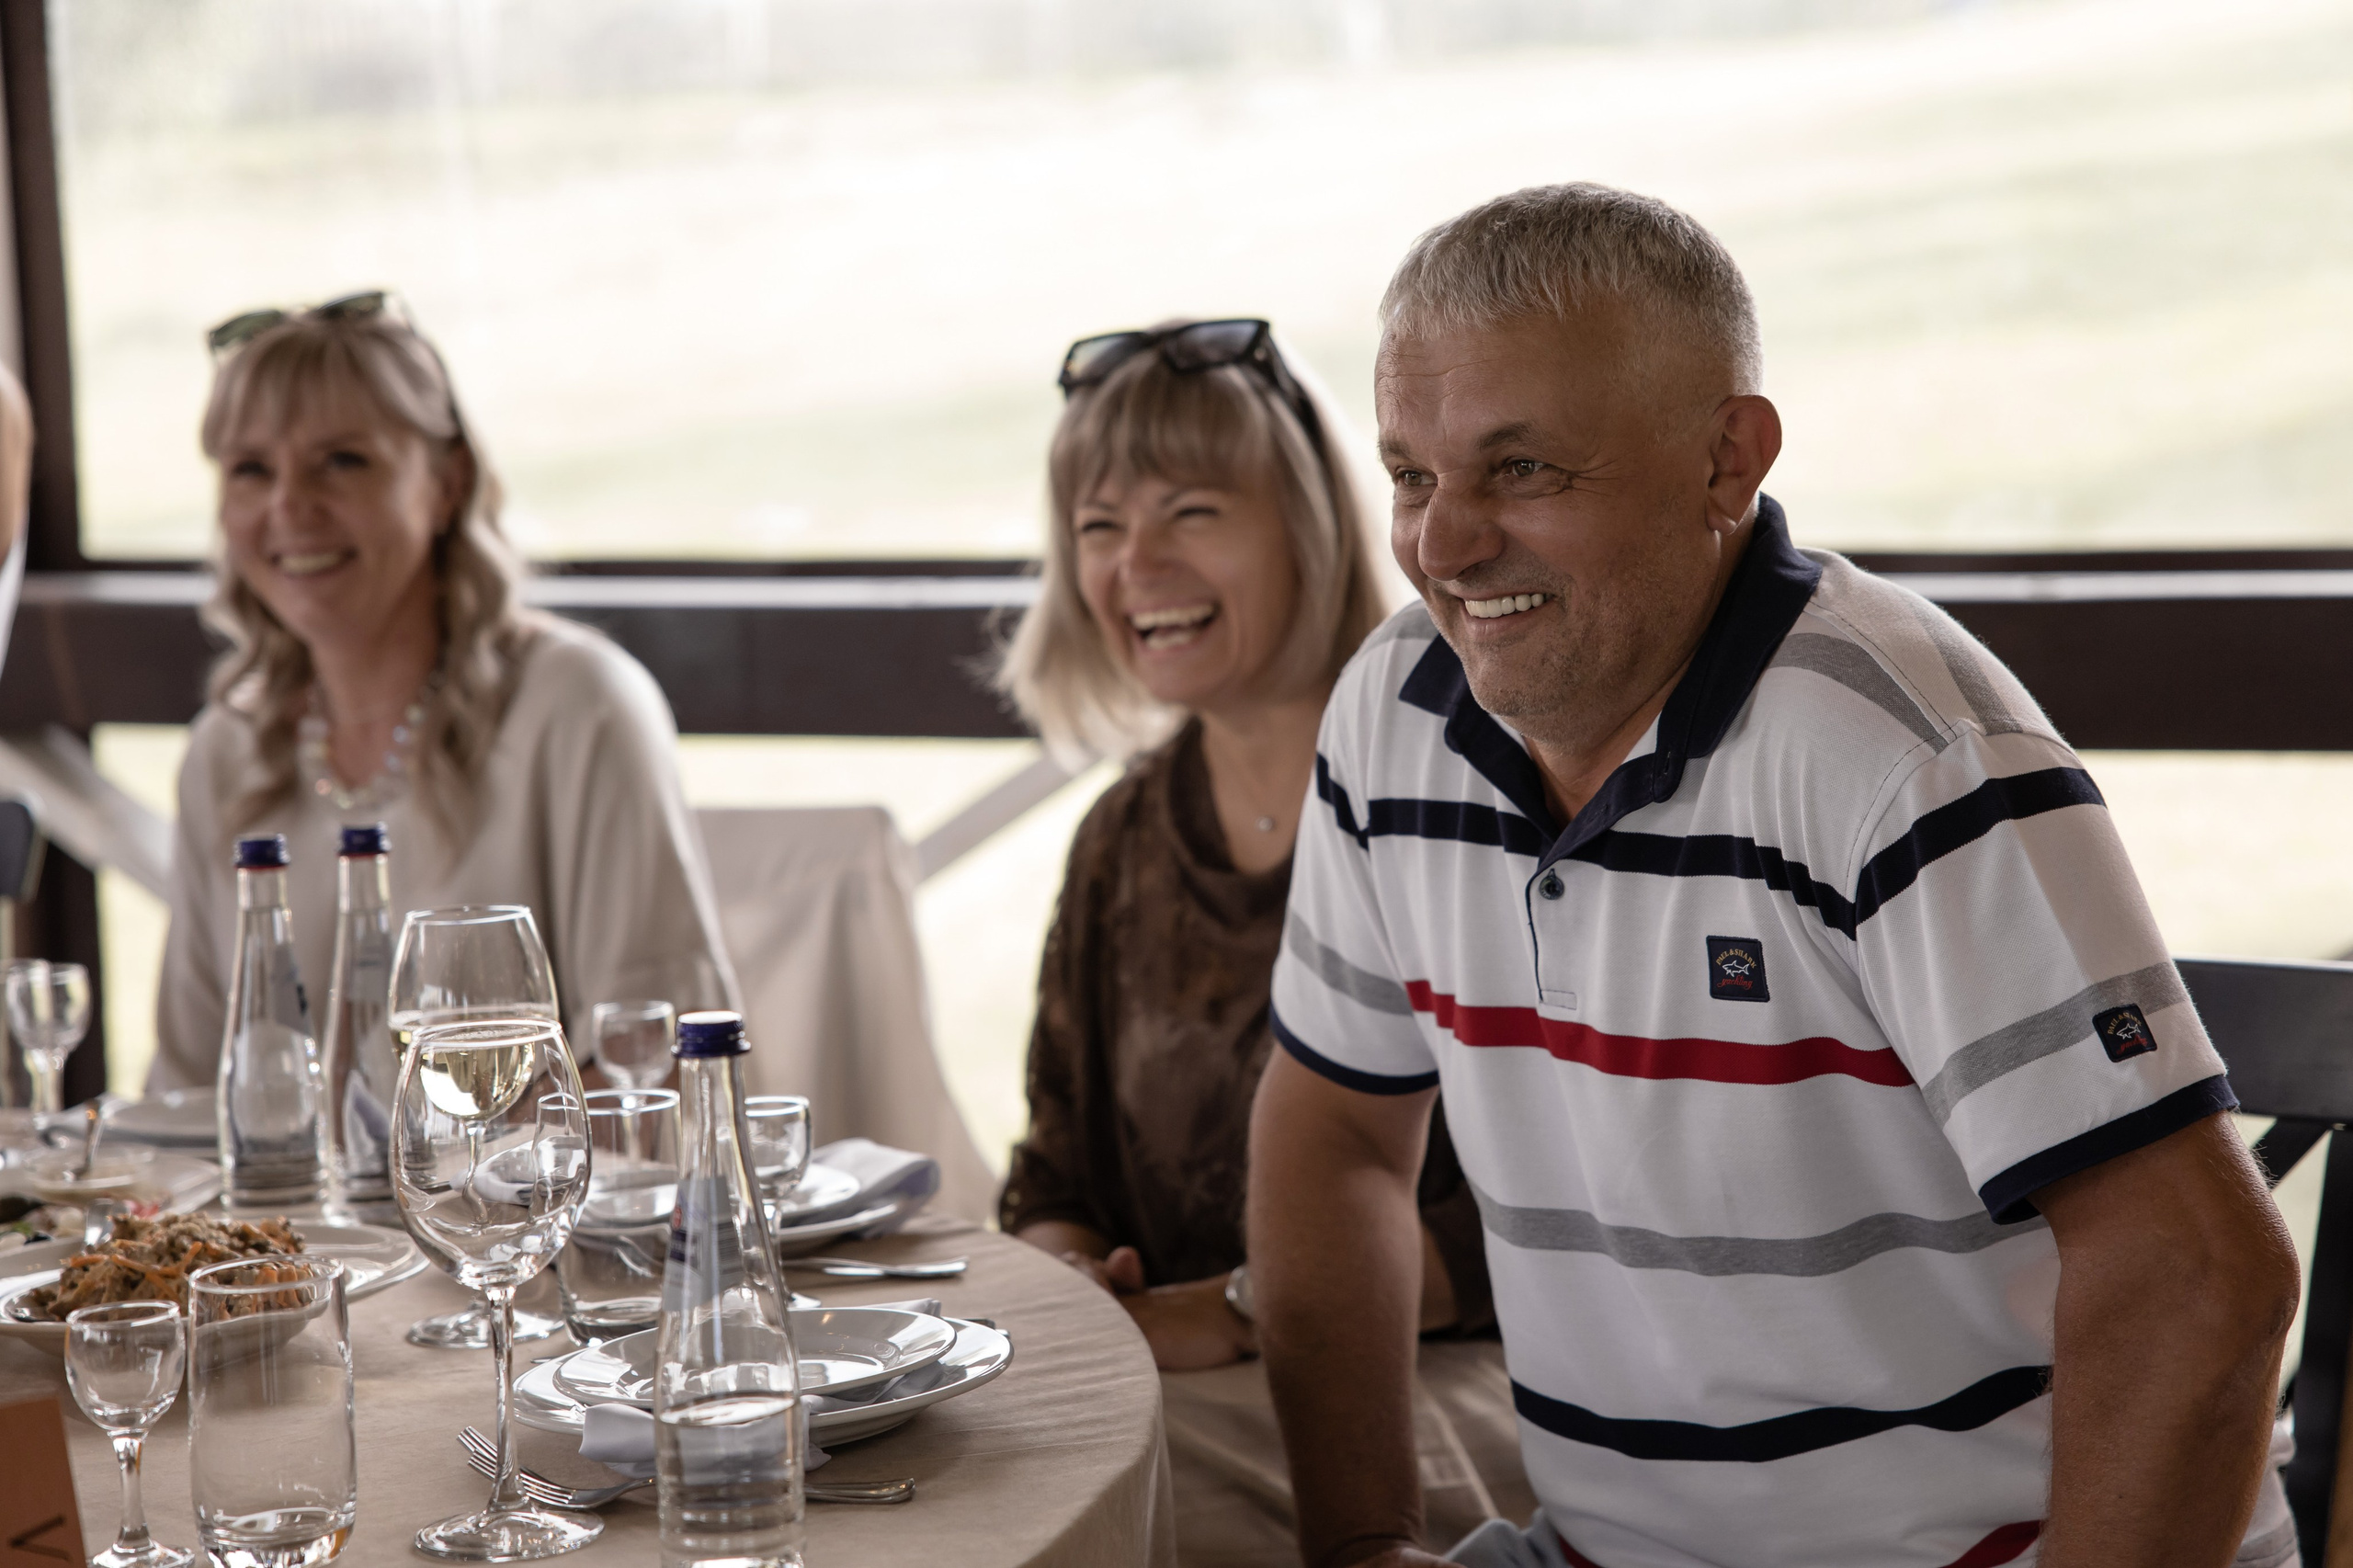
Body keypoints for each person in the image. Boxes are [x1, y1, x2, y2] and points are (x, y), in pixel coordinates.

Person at [1248, 184, 2302, 1568]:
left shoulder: (1896, 752)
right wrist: (1364, 1538)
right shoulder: (1392, 714)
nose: (1444, 547)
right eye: (1411, 476)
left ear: (1725, 462)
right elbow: (1329, 1140)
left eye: (1523, 471)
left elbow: (2202, 1272)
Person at [995, 319, 1532, 1564]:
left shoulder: (1461, 791)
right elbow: (1053, 1174)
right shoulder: (1122, 836)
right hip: (1164, 1374)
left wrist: (1232, 1313)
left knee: (1094, 1488)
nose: (1137, 565)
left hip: (1449, 1378)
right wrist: (1078, 1281)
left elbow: (1554, 1212)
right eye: (1096, 525)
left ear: (1307, 524)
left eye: (1190, 511)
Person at [150, 293, 737, 1093]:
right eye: (252, 469)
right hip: (282, 1224)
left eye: (343, 461)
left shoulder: (580, 705)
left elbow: (657, 1069)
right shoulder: (227, 747)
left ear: (448, 482)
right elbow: (184, 1091)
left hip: (523, 1218)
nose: (289, 506)